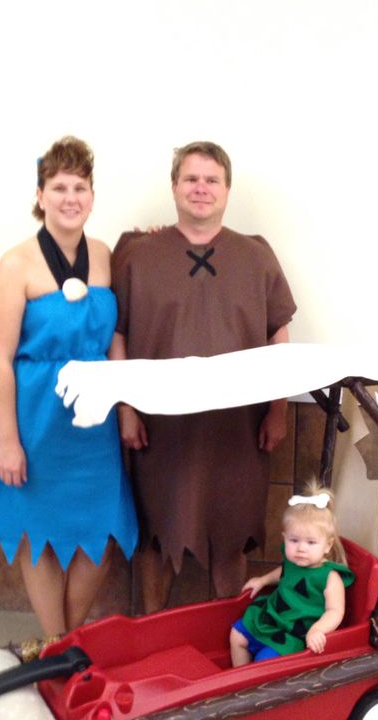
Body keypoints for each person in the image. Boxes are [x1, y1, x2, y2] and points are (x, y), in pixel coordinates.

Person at [110, 141, 296, 612]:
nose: (200, 188)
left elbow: (279, 335)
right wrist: (126, 410)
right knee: (157, 534)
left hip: (236, 429)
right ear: (174, 186)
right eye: (191, 178)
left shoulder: (255, 256)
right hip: (161, 430)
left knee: (230, 534)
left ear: (227, 190)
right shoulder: (137, 254)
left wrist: (278, 409)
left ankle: (225, 641)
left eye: (211, 180)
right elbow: (118, 334)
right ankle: (153, 637)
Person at [0, 136, 138, 636]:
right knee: (40, 538)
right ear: (41, 195)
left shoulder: (105, 254)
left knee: (101, 538)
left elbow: (114, 336)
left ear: (92, 195)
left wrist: (127, 409)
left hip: (94, 426)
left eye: (81, 187)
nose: (71, 197)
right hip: (35, 419)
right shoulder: (16, 264)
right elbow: (0, 360)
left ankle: (64, 642)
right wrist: (8, 441)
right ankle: (58, 649)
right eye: (60, 187)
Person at [230, 483, 354, 665]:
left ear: (327, 545)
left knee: (265, 661)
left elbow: (335, 611)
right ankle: (237, 681)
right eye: (294, 540)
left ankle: (255, 686)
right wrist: (263, 580)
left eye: (311, 543)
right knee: (237, 635)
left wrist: (317, 630)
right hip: (272, 619)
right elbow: (284, 572)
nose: (301, 548)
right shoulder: (293, 562)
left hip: (295, 634)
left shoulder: (329, 577)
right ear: (285, 538)